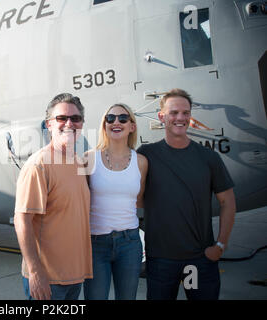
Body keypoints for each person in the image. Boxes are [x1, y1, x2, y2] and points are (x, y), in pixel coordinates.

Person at [137, 88, 236, 300]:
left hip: (199, 260)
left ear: (190, 116)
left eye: (185, 113)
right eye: (173, 113)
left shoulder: (208, 158)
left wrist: (220, 246)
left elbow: (228, 202)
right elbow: (135, 197)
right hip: (161, 261)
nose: (180, 118)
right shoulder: (146, 155)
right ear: (161, 116)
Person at [13, 93, 92, 300]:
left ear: (81, 124)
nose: (69, 123)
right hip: (48, 280)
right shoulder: (38, 165)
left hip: (74, 278)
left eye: (75, 118)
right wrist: (36, 272)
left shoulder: (78, 163)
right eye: (61, 118)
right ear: (49, 124)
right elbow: (22, 221)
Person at [83, 103, 148, 300]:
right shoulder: (88, 159)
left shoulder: (141, 162)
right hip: (95, 244)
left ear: (132, 126)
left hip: (129, 244)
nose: (116, 122)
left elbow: (139, 200)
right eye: (110, 118)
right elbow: (81, 201)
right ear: (104, 125)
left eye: (122, 118)